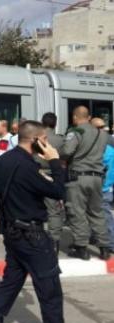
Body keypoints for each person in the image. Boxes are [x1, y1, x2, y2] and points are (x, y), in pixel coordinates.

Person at [0, 121, 70, 323]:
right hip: (32, 236)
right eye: (44, 139)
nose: (47, 142)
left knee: (12, 281)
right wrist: (55, 161)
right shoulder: (28, 167)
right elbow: (58, 191)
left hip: (12, 234)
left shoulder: (6, 159)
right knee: (50, 292)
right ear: (35, 140)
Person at [60, 106, 111, 260]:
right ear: (88, 117)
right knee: (97, 211)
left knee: (77, 211)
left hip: (78, 177)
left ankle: (81, 247)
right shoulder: (102, 134)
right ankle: (104, 248)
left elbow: (67, 151)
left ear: (75, 117)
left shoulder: (76, 132)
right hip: (97, 178)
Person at [40, 112, 66, 251]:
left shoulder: (35, 138)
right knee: (54, 211)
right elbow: (65, 157)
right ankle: (54, 243)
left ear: (42, 123)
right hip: (52, 177)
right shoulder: (61, 140)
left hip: (35, 175)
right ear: (55, 124)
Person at [91, 117, 114, 253]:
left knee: (103, 214)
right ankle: (97, 237)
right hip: (106, 185)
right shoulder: (109, 144)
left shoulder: (99, 147)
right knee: (98, 213)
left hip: (102, 186)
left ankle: (111, 242)